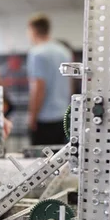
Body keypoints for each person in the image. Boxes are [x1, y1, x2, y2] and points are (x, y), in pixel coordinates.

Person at [26, 14, 72, 145]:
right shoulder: (64, 51)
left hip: (44, 119)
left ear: (33, 30)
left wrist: (32, 117)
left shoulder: (37, 53)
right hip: (63, 116)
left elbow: (38, 88)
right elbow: (70, 83)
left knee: (42, 162)